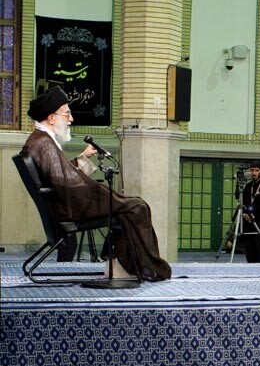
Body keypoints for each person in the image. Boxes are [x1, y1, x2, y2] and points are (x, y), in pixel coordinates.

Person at [20, 86, 170, 281]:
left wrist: (83, 157)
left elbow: (62, 175)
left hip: (67, 204)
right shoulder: (44, 143)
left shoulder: (40, 139)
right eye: (67, 114)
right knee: (136, 207)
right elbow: (62, 181)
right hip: (72, 208)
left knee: (129, 206)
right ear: (51, 118)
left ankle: (119, 264)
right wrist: (96, 190)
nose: (71, 119)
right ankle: (146, 268)